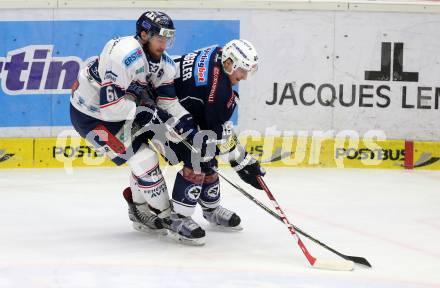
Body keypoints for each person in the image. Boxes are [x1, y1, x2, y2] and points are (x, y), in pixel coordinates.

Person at [69, 11, 198, 236]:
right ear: (144, 34)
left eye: (169, 39)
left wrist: (186, 122)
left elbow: (168, 102)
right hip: (93, 115)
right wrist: (146, 112)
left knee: (148, 156)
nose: (165, 45)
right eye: (160, 38)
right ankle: (168, 217)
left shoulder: (165, 63)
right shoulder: (123, 55)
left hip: (125, 110)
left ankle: (138, 208)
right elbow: (110, 108)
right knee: (145, 158)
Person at [159, 39, 267, 245]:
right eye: (242, 70)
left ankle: (211, 209)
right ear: (229, 62)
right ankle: (177, 218)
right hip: (164, 114)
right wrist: (242, 163)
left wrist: (241, 159)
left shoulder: (218, 52)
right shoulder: (219, 93)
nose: (243, 77)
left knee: (207, 155)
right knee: (200, 158)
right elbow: (217, 137)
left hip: (176, 105)